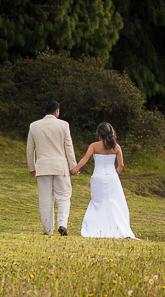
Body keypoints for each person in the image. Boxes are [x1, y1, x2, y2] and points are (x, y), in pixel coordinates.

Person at [71, 122, 138, 239]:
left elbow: (85, 158)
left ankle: (96, 227)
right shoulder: (116, 147)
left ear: (99, 134)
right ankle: (116, 227)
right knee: (113, 202)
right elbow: (121, 165)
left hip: (98, 177)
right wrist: (114, 174)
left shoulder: (94, 146)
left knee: (97, 202)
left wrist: (74, 170)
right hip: (112, 178)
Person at [27, 100, 77, 236]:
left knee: (45, 199)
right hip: (60, 166)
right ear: (57, 111)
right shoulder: (63, 125)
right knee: (64, 197)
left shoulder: (34, 126)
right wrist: (73, 166)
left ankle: (48, 230)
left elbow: (30, 149)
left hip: (43, 167)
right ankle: (62, 223)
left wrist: (31, 167)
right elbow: (68, 147)